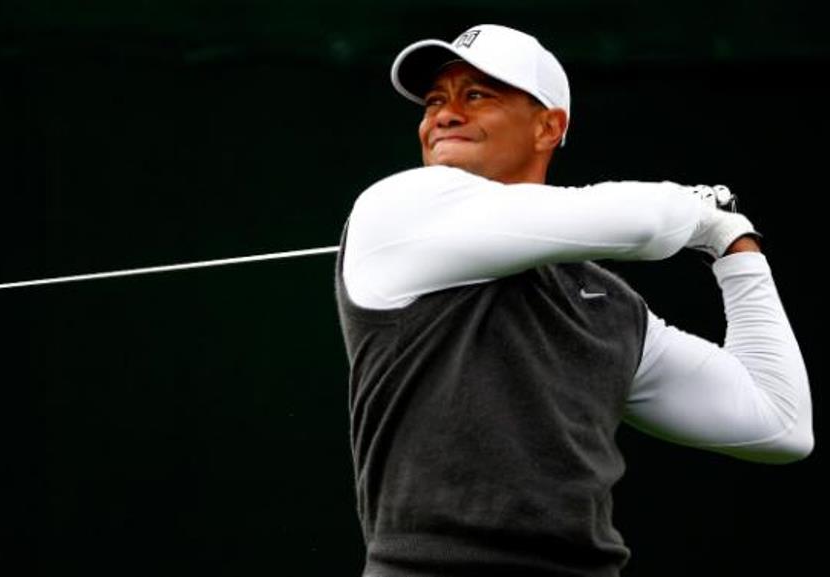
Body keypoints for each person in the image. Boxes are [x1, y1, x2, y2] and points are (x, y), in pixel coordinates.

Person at [334, 24, 813, 577]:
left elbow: (780, 424)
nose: (443, 114)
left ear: (548, 126)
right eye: (434, 101)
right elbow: (648, 221)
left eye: (476, 95)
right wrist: (699, 211)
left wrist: (737, 250)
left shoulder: (605, 305)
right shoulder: (398, 205)